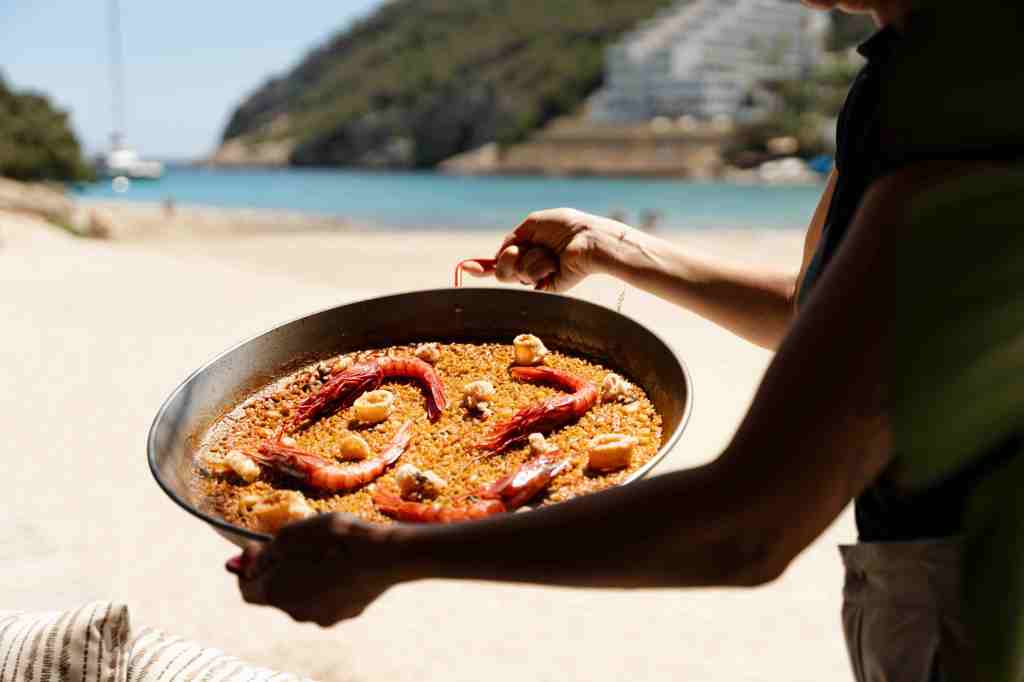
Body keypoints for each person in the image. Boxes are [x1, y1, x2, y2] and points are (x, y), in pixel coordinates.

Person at [229, 1, 1024, 679]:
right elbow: (821, 317)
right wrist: (619, 248)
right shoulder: (904, 83)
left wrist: (387, 557)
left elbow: (749, 530)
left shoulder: (974, 121)